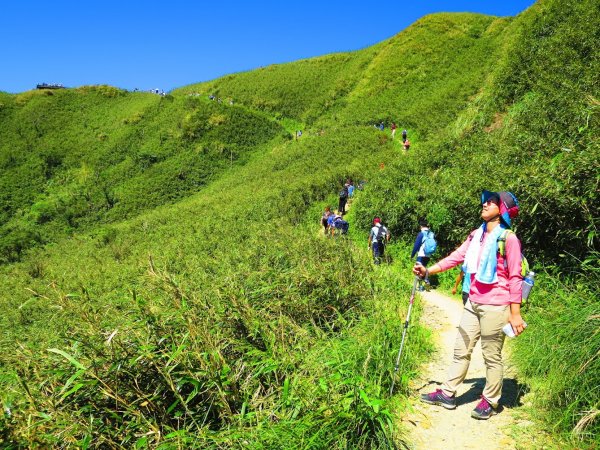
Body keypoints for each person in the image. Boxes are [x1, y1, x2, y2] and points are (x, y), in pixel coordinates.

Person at [413, 190, 525, 420]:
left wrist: (515, 314)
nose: (485, 204)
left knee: (491, 355)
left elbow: (515, 277)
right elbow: (456, 257)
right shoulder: (476, 235)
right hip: (473, 302)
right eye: (485, 201)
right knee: (460, 349)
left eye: (492, 202)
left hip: (497, 305)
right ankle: (447, 393)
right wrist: (428, 270)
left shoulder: (509, 239)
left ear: (502, 210)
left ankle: (491, 401)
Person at [411, 219, 433, 291]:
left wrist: (412, 254)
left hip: (421, 254)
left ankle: (421, 286)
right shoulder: (431, 233)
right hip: (428, 255)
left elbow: (416, 245)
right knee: (423, 269)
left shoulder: (421, 234)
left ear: (421, 226)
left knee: (419, 271)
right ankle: (426, 281)